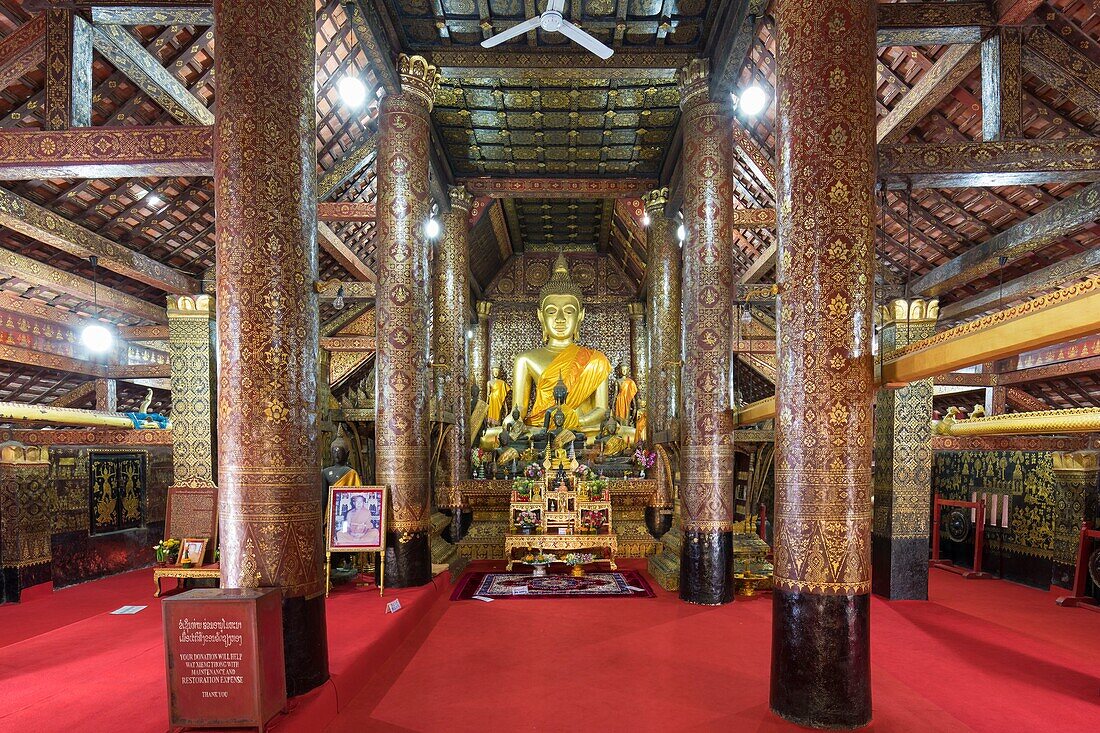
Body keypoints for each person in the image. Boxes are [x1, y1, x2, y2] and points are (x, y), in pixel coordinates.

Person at [511, 254, 611, 437]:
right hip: (541, 430)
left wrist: (575, 422)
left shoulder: (597, 360)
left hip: (582, 429)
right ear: (541, 316)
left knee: (622, 434)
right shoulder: (525, 359)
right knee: (492, 437)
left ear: (580, 315)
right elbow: (518, 410)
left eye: (568, 311)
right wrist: (510, 424)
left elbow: (602, 410)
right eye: (551, 311)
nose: (560, 319)